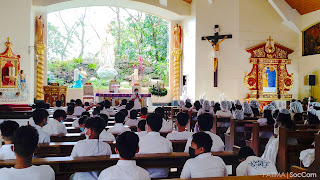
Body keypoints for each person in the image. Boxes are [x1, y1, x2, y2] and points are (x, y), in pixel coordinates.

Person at [138, 113, 173, 178]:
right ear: (160, 126)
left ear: (147, 126)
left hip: (145, 177)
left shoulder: (140, 141)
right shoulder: (167, 142)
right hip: (163, 176)